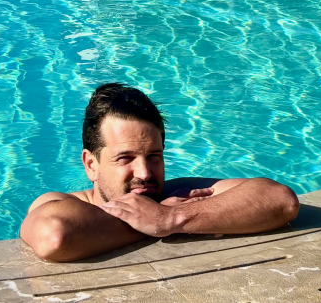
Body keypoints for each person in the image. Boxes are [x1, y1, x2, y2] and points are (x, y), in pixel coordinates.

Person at [20, 83, 299, 262]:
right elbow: (54, 235)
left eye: (154, 156)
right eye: (125, 158)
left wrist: (171, 217)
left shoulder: (176, 197)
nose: (144, 173)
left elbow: (280, 200)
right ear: (91, 164)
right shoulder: (60, 203)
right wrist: (158, 221)